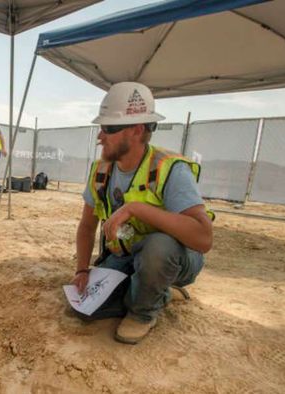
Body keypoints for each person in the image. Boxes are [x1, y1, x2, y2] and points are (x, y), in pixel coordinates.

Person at [71, 82, 214, 344]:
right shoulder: (102, 170)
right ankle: (160, 292)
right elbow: (86, 226)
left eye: (109, 128)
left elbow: (203, 238)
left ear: (137, 130)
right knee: (89, 309)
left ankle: (143, 313)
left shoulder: (170, 169)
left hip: (172, 257)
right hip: (127, 255)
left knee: (159, 247)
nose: (100, 136)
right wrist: (82, 270)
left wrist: (136, 208)